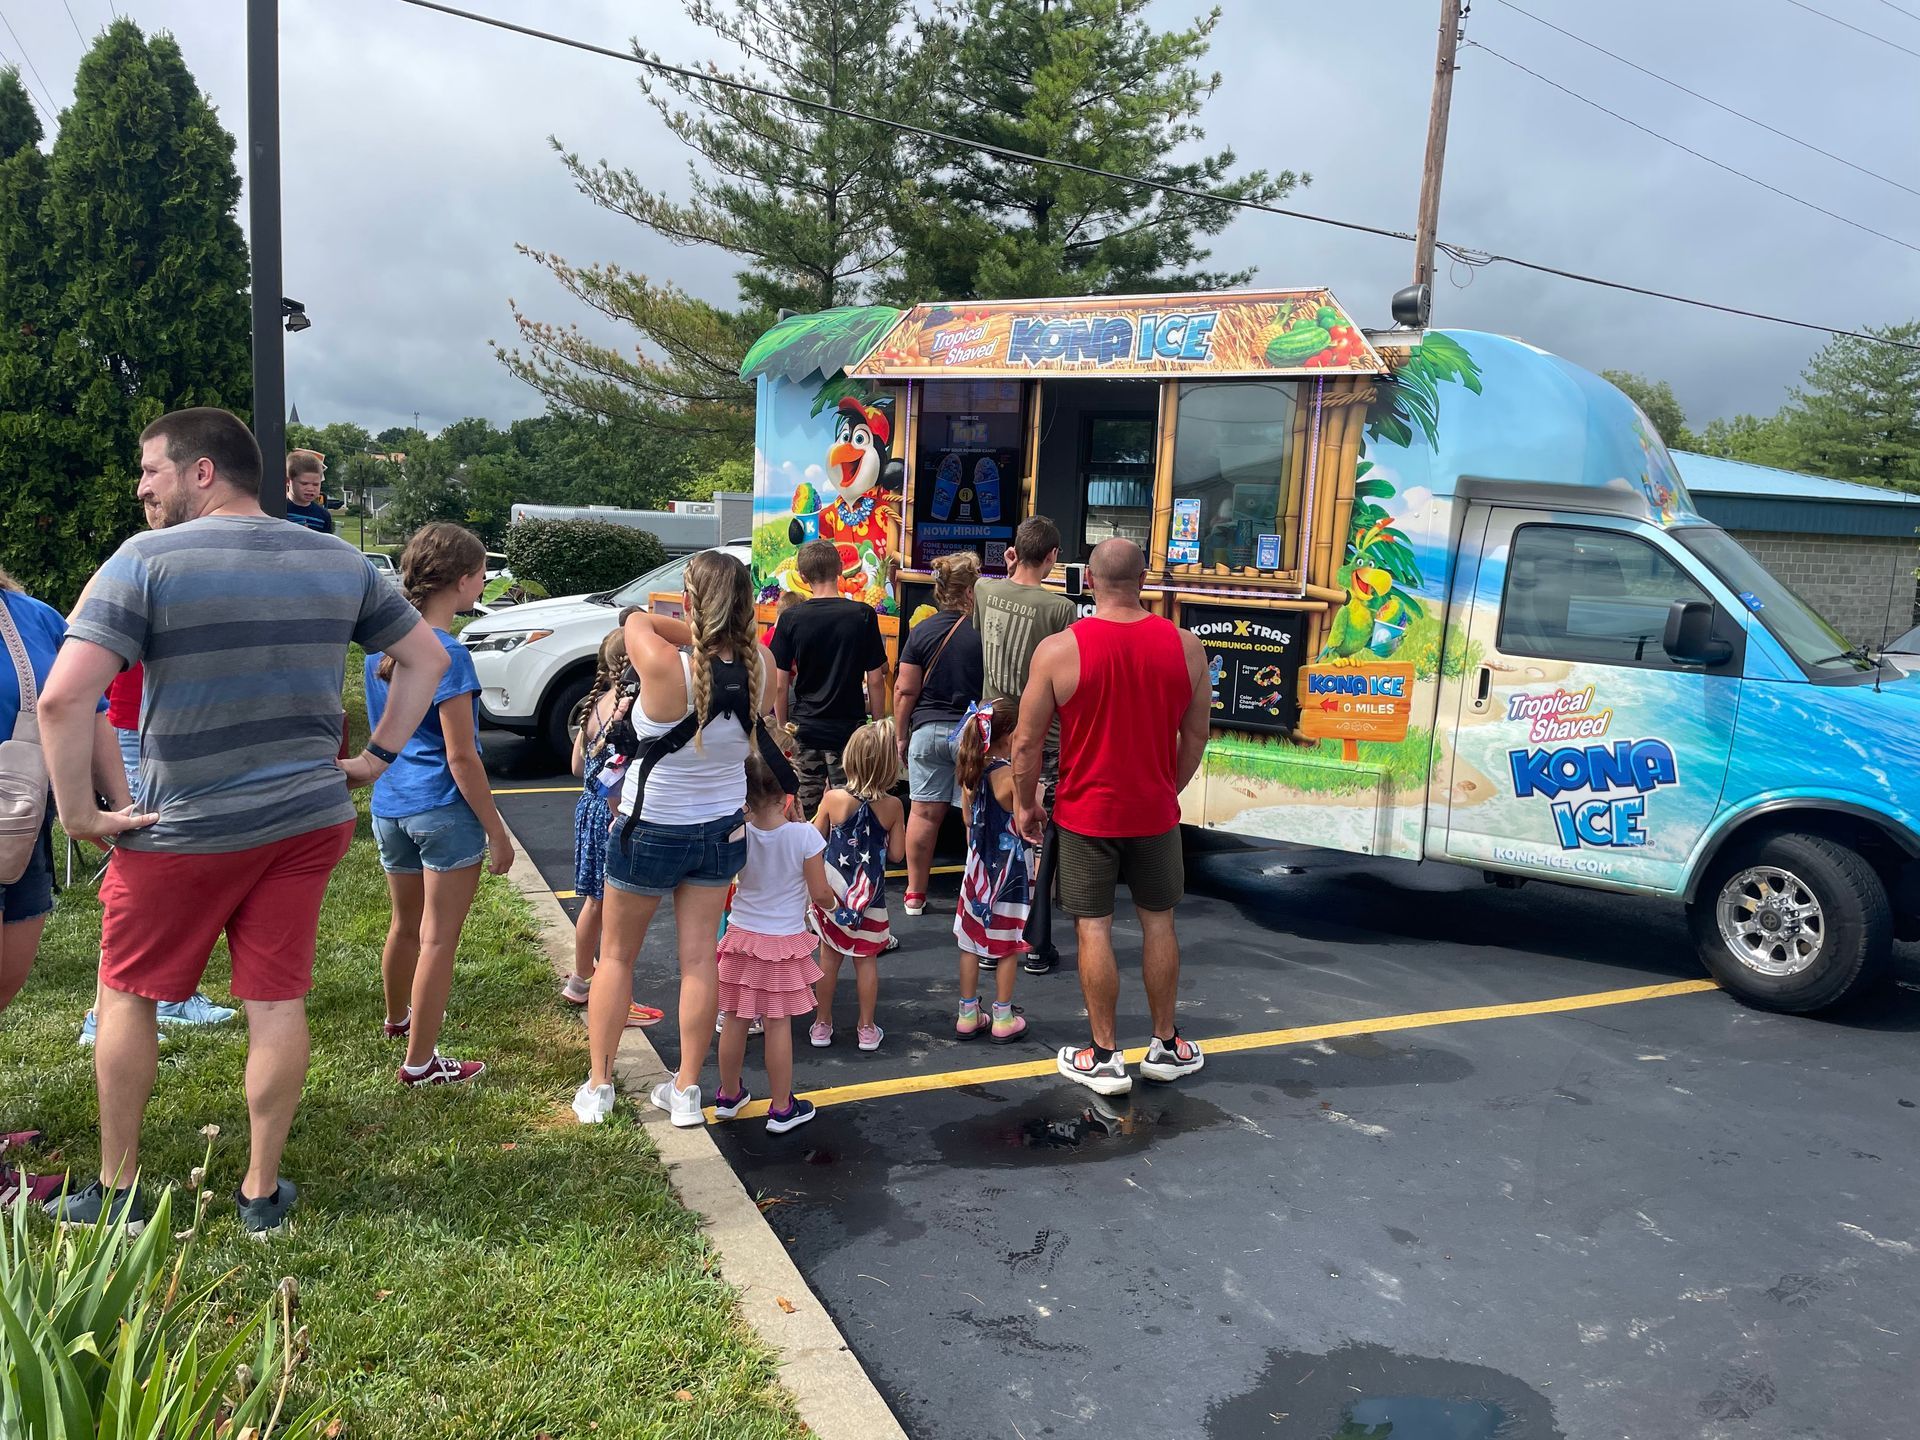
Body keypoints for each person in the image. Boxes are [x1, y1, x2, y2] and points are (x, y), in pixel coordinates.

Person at [40, 406, 447, 1233]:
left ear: (201, 471)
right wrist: (376, 759)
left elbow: (62, 696)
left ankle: (118, 1195)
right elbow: (427, 659)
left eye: (151, 469)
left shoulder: (142, 562)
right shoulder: (337, 559)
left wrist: (82, 814)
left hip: (181, 829)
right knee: (275, 1000)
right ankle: (261, 1194)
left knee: (125, 995)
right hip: (304, 823)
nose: (141, 487)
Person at [572, 552, 774, 1128]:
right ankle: (686, 1089)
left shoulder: (663, 665)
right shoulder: (765, 665)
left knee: (616, 957)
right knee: (697, 963)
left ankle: (600, 1084)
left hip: (649, 829)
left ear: (690, 603)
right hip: (719, 833)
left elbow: (631, 617)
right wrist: (724, 632)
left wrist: (697, 628)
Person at [1013, 538, 1210, 1097]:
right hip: (1154, 813)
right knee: (1159, 922)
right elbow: (1196, 735)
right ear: (1143, 580)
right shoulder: (1187, 648)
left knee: (1093, 927)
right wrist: (1166, 787)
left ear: (1088, 581)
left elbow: (1026, 744)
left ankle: (1102, 1056)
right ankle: (1166, 1045)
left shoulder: (1058, 650)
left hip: (1085, 813)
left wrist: (1026, 804)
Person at [365, 523, 516, 1087]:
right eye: (480, 575)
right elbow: (463, 758)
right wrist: (496, 831)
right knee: (437, 940)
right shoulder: (449, 652)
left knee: (404, 926)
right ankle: (421, 1063)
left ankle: (398, 1018)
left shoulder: (386, 646)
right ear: (463, 581)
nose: (482, 584)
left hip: (391, 804)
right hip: (442, 809)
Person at [0, 567, 128, 1207]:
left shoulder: (33, 617)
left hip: (16, 830)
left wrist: (116, 809)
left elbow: (94, 714)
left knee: (6, 980)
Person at [712, 754, 837, 1134]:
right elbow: (820, 893)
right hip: (781, 942)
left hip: (740, 937)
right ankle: (782, 1107)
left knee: (735, 1017)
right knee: (777, 1022)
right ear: (789, 795)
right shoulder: (805, 836)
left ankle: (729, 1095)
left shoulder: (739, 832)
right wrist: (835, 902)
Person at [975, 516, 1076, 974]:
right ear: (1053, 556)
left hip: (988, 728)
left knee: (987, 834)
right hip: (1042, 737)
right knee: (1036, 837)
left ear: (1013, 550)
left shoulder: (983, 590)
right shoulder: (1060, 609)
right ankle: (1034, 943)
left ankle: (982, 931)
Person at [561, 628, 664, 1028]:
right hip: (612, 815)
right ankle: (620, 999)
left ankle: (581, 979)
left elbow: (576, 766)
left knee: (593, 900)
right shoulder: (628, 707)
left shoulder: (596, 704)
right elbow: (618, 772)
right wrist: (621, 818)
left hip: (586, 809)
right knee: (619, 915)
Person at [892, 551, 983, 915]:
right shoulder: (982, 631)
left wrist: (901, 734)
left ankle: (915, 893)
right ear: (971, 588)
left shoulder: (922, 631)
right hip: (972, 734)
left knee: (924, 815)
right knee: (973, 816)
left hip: (927, 731)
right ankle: (975, 895)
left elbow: (905, 690)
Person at [771, 539, 886, 818]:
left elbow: (779, 682)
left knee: (804, 811)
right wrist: (879, 724)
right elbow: (875, 679)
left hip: (805, 727)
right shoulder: (863, 615)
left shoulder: (791, 618)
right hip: (848, 731)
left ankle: (807, 859)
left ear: (802, 576)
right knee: (849, 810)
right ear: (841, 569)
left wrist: (783, 725)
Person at [808, 719, 904, 1051]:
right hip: (870, 902)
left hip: (833, 898)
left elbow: (813, 837)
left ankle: (822, 1024)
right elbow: (896, 854)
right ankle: (866, 1027)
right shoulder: (893, 806)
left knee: (828, 961)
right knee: (866, 963)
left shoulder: (834, 799)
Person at [951, 697, 1031, 1044]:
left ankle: (967, 1013)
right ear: (1009, 734)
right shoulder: (1008, 778)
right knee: (1007, 944)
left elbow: (968, 818)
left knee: (969, 941)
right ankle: (1002, 1015)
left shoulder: (972, 772)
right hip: (1007, 874)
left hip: (976, 869)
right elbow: (1029, 816)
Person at [283, 450, 334, 534]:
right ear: (288, 481)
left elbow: (327, 544)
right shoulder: (278, 509)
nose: (310, 488)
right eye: (304, 483)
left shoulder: (323, 516)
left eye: (315, 484)